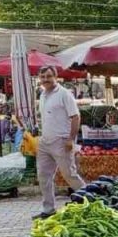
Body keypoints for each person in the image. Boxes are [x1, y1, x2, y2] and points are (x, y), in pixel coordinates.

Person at [35, 66, 85, 219]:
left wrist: (71, 139)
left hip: (62, 141)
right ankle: (48, 210)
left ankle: (92, 200)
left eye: (49, 76)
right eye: (42, 77)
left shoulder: (64, 94)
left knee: (69, 175)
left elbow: (75, 117)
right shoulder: (43, 94)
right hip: (45, 141)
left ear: (56, 77)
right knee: (43, 176)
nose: (45, 80)